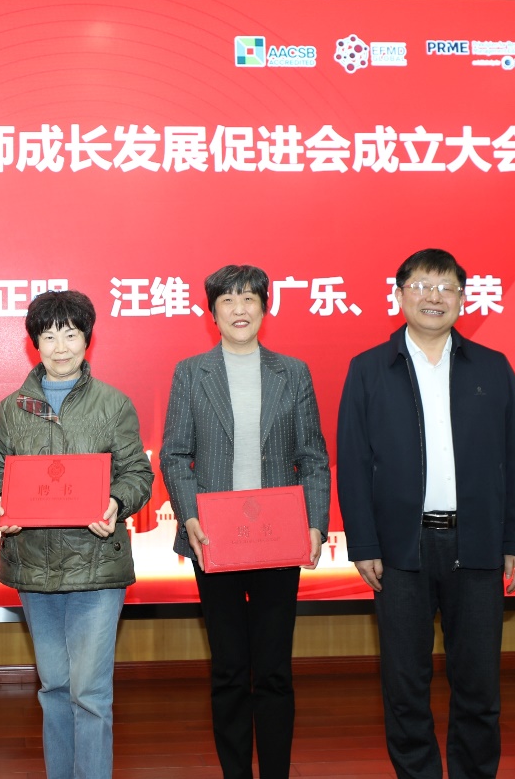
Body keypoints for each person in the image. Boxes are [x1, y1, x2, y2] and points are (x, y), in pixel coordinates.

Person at [336, 248, 515, 779]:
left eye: (446, 288)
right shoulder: (368, 369)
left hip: (479, 545)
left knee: (478, 684)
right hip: (401, 549)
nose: (434, 297)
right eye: (422, 286)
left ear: (463, 299)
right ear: (399, 295)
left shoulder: (492, 368)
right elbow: (352, 464)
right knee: (405, 683)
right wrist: (364, 544)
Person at [159, 264, 330, 779]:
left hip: (278, 540)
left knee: (274, 669)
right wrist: (190, 516)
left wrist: (315, 523)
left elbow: (313, 456)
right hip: (215, 539)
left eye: (249, 299)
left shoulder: (292, 372)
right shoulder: (192, 372)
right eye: (228, 301)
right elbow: (175, 454)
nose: (239, 309)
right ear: (211, 313)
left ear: (264, 307)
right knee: (230, 668)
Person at [0, 290, 154, 779]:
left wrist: (116, 501)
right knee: (55, 688)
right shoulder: (12, 408)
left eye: (71, 334)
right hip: (34, 566)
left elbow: (137, 474)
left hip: (96, 563)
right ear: (34, 343)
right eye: (48, 335)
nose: (60, 347)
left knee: (91, 693)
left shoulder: (113, 404)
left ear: (87, 339)